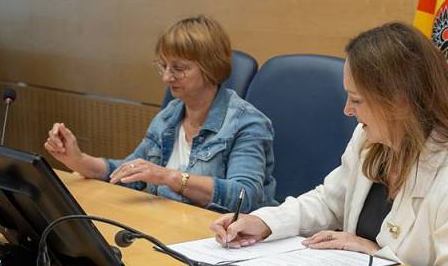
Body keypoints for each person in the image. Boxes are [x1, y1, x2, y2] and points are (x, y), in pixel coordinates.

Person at [210, 21, 448, 266]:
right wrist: (265, 223)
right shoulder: (371, 139)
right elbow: (329, 201)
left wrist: (374, 254)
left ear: (398, 101)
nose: (347, 110)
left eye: (357, 100)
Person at [44, 15, 277, 212]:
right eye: (164, 66)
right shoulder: (170, 115)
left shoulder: (246, 122)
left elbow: (245, 196)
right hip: (174, 226)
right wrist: (78, 159)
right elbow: (132, 173)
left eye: (178, 68)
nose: (166, 77)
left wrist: (169, 177)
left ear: (211, 66)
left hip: (227, 238)